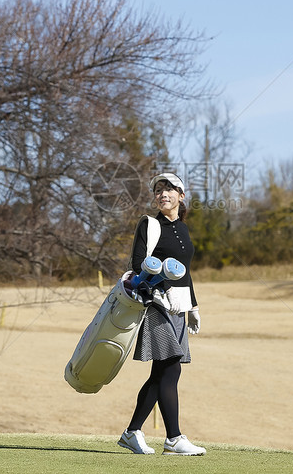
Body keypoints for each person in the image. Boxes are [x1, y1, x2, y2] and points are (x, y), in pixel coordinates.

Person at [117, 172, 206, 456]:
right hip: (156, 303)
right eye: (158, 190)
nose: (163, 194)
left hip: (179, 306)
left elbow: (185, 272)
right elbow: (139, 263)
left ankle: (133, 432)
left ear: (181, 195)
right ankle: (173, 438)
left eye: (169, 189)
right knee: (170, 366)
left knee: (165, 370)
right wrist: (160, 291)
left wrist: (193, 306)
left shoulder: (183, 229)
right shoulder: (150, 224)